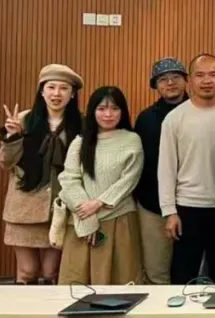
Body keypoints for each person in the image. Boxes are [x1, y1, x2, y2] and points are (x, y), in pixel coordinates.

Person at [159, 54, 215, 284]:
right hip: (188, 207)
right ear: (190, 80)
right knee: (183, 277)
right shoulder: (174, 118)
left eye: (213, 74)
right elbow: (166, 168)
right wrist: (169, 211)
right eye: (200, 75)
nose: (207, 81)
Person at [0, 64, 83, 284]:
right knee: (27, 271)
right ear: (41, 91)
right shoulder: (23, 120)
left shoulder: (80, 124)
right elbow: (6, 163)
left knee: (51, 272)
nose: (56, 93)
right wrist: (12, 137)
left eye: (63, 88)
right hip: (24, 208)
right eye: (51, 87)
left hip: (60, 209)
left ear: (72, 94)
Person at [57, 87, 144, 285]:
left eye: (114, 108)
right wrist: (87, 216)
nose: (108, 114)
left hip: (119, 219)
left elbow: (129, 179)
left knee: (120, 282)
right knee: (76, 284)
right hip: (81, 221)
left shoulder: (132, 140)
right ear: (92, 111)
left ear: (122, 111)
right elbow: (69, 179)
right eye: (102, 108)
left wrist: (98, 203)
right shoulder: (80, 142)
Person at [133, 58, 187, 284]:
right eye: (163, 79)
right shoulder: (146, 118)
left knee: (193, 270)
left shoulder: (199, 111)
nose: (170, 83)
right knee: (156, 270)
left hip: (194, 204)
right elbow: (141, 163)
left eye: (175, 77)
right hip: (153, 205)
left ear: (186, 80)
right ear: (155, 85)